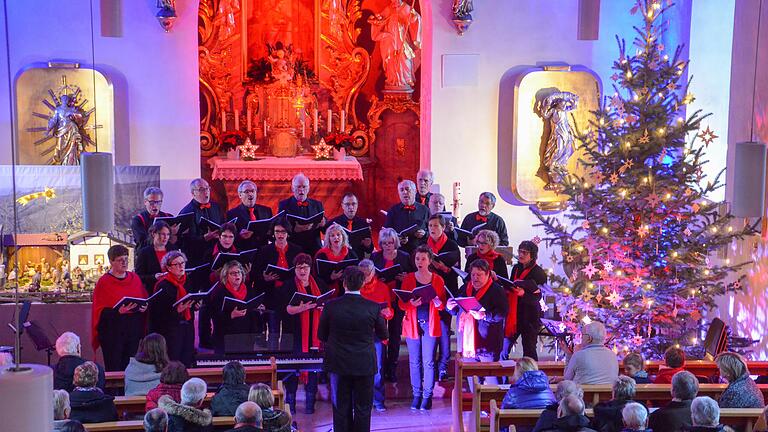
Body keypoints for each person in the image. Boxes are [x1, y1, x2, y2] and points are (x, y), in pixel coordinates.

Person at [318, 266, 389, 432]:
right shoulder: (372, 307)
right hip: (364, 363)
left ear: (343, 284)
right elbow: (383, 334)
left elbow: (321, 335)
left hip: (338, 363)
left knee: (340, 408)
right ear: (363, 283)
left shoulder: (331, 306)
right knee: (363, 408)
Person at [397, 246, 447, 410]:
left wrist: (438, 303)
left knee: (429, 362)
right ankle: (416, 394)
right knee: (414, 362)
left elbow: (442, 305)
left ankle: (427, 396)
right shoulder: (409, 278)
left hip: (430, 324)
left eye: (423, 259)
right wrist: (409, 304)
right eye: (417, 258)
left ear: (430, 261)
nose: (419, 262)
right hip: (413, 324)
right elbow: (401, 303)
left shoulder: (438, 279)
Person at [447, 259, 508, 389]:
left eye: (479, 275)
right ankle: (476, 407)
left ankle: (495, 407)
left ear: (487, 275)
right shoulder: (465, 288)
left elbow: (502, 313)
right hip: (469, 345)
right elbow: (455, 310)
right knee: (473, 381)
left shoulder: (496, 290)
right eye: (473, 274)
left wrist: (485, 315)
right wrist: (449, 306)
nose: (475, 278)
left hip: (488, 343)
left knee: (492, 381)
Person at [283, 253, 328, 414]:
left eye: (305, 267)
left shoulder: (320, 284)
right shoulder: (289, 286)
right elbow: (286, 310)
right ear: (294, 269)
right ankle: (291, 404)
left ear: (310, 268)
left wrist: (322, 308)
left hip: (315, 336)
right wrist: (303, 308)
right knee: (293, 369)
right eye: (299, 267)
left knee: (313, 368)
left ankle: (310, 404)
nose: (302, 270)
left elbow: (326, 305)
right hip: (295, 335)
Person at [91, 245, 147, 371]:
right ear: (111, 262)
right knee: (114, 368)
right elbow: (99, 312)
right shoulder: (104, 282)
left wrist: (144, 308)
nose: (124, 262)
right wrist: (117, 312)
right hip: (113, 335)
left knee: (130, 368)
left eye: (126, 259)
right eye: (120, 259)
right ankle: (113, 391)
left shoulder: (135, 279)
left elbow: (143, 299)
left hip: (132, 332)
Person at [371, 227, 414, 383]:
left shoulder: (404, 257)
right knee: (380, 335)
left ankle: (392, 368)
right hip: (380, 301)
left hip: (396, 299)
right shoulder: (375, 257)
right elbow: (369, 276)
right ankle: (380, 368)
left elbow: (412, 277)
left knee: (395, 335)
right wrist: (377, 279)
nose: (388, 246)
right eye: (385, 243)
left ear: (395, 242)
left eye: (390, 242)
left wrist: (405, 278)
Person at [425, 214, 460, 380]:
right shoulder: (424, 245)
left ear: (443, 227)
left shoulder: (452, 245)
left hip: (446, 292)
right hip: (428, 293)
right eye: (430, 225)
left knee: (445, 331)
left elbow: (456, 270)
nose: (432, 229)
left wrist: (443, 268)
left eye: (435, 226)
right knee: (431, 332)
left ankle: (443, 366)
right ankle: (430, 366)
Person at [148, 251, 197, 367]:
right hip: (170, 332)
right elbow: (157, 315)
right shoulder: (162, 285)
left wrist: (195, 305)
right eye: (177, 264)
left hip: (187, 327)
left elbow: (191, 301)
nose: (181, 266)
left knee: (187, 360)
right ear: (168, 268)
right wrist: (177, 311)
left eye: (183, 263)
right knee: (173, 362)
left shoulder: (188, 281)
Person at [358, 259, 394, 411]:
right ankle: (361, 401)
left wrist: (387, 313)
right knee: (359, 369)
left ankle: (378, 401)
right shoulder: (355, 288)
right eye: (363, 274)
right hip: (359, 333)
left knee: (378, 368)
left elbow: (390, 312)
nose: (366, 277)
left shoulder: (382, 287)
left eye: (368, 274)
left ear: (373, 272)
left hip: (377, 333)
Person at [210, 261, 264, 355]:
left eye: (239, 272)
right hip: (226, 337)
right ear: (226, 276)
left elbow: (253, 313)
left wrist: (259, 310)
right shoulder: (219, 292)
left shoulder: (249, 290)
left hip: (246, 336)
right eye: (233, 273)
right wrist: (231, 315)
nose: (237, 275)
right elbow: (215, 317)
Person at [368, 0, 422, 91]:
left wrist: (414, 18)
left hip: (402, 38)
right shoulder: (388, 9)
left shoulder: (406, 7)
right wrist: (376, 21)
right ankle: (392, 79)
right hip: (390, 39)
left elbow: (414, 21)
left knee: (405, 57)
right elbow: (381, 20)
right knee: (391, 58)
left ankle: (406, 79)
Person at [507, 240, 546, 360]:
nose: (521, 254)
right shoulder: (516, 268)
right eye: (520, 251)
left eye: (525, 252)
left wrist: (523, 294)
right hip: (514, 314)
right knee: (504, 346)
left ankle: (533, 376)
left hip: (530, 316)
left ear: (532, 255)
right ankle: (503, 378)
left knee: (529, 350)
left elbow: (538, 297)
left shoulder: (539, 272)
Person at [278, 173, 326, 255]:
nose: (301, 190)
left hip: (313, 246)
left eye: (304, 187)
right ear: (292, 188)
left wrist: (324, 223)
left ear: (308, 188)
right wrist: (294, 229)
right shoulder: (284, 205)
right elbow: (280, 227)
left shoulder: (317, 205)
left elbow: (325, 230)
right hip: (293, 245)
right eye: (298, 187)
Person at [384, 180, 429, 253]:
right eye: (401, 190)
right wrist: (397, 239)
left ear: (415, 191)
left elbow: (431, 230)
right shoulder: (393, 211)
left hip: (420, 253)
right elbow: (387, 233)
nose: (404, 192)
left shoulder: (425, 210)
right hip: (399, 252)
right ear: (399, 193)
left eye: (407, 189)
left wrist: (425, 234)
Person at [314, 223, 359, 296]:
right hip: (326, 291)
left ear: (343, 237)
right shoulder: (321, 254)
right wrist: (331, 277)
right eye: (332, 235)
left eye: (338, 235)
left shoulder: (351, 253)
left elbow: (356, 273)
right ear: (329, 239)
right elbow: (316, 277)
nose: (336, 237)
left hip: (347, 291)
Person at [227, 180, 273, 250]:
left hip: (264, 251)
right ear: (240, 195)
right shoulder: (232, 214)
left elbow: (271, 231)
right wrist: (240, 236)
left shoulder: (266, 210)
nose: (250, 194)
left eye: (252, 191)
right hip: (244, 251)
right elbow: (229, 237)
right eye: (246, 192)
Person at [329, 193, 374, 259]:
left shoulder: (364, 224)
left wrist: (368, 245)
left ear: (357, 205)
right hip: (339, 261)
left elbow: (369, 250)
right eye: (347, 204)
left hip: (358, 261)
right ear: (342, 205)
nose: (351, 207)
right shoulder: (334, 223)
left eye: (353, 204)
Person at [135, 221, 175, 294]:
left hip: (172, 289)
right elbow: (138, 276)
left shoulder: (172, 249)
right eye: (162, 234)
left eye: (168, 234)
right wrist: (154, 277)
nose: (166, 237)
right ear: (153, 234)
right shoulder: (144, 252)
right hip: (154, 291)